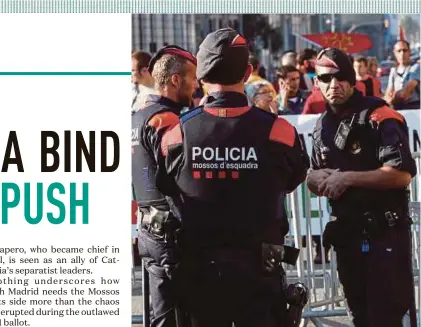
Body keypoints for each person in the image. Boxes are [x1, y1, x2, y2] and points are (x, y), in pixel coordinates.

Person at [163, 28, 309, 327]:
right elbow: (293, 178)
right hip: (260, 273)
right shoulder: (278, 131)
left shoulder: (177, 134)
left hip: (200, 272)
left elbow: (165, 186)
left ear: (201, 76)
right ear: (249, 72)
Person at [306, 47, 417, 327]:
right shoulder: (322, 125)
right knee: (360, 318)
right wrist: (313, 179)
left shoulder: (379, 115)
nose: (334, 85)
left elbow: (401, 174)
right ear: (316, 82)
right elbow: (315, 175)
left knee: (384, 319)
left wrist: (348, 178)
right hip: (348, 236)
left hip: (385, 236)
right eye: (326, 78)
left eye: (341, 77)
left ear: (352, 79)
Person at [131, 45, 197, 327]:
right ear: (175, 80)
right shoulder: (166, 120)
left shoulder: (138, 114)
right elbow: (180, 177)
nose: (196, 85)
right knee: (174, 316)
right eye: (193, 78)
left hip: (148, 228)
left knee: (159, 313)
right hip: (170, 233)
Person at [384, 40, 420, 110]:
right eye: (399, 51)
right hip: (398, 110)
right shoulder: (393, 71)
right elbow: (387, 95)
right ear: (395, 53)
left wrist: (393, 96)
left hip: (414, 109)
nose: (402, 53)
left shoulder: (416, 67)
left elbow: (404, 94)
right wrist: (392, 97)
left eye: (405, 50)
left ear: (409, 51)